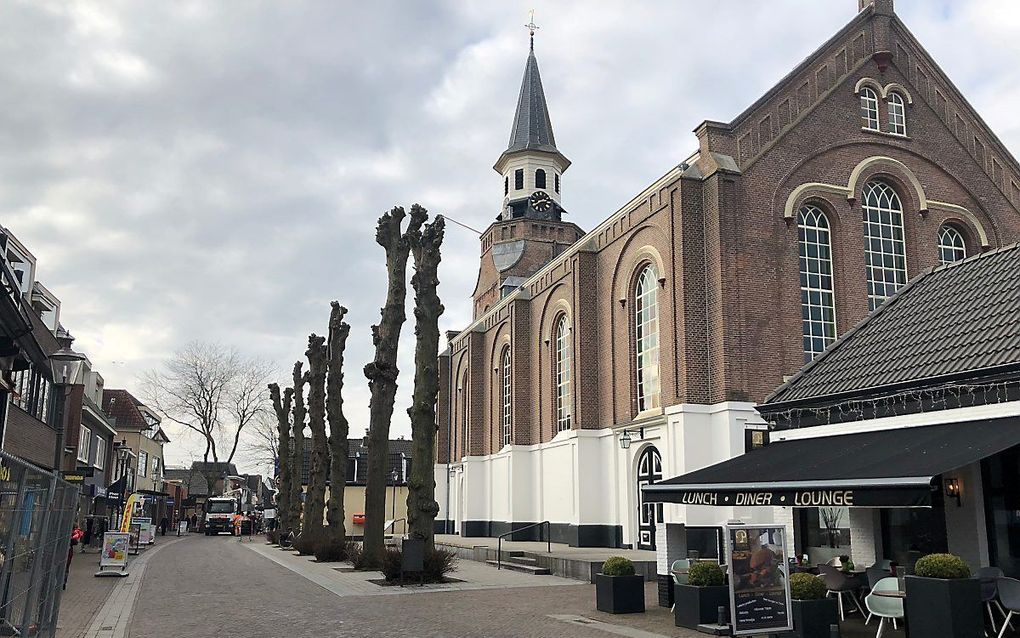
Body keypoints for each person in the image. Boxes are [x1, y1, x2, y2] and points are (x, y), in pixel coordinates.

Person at [64, 523, 84, 589]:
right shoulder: (73, 534)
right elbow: (75, 542)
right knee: (66, 567)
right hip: (69, 551)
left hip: (64, 551)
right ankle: (63, 582)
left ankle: (62, 581)